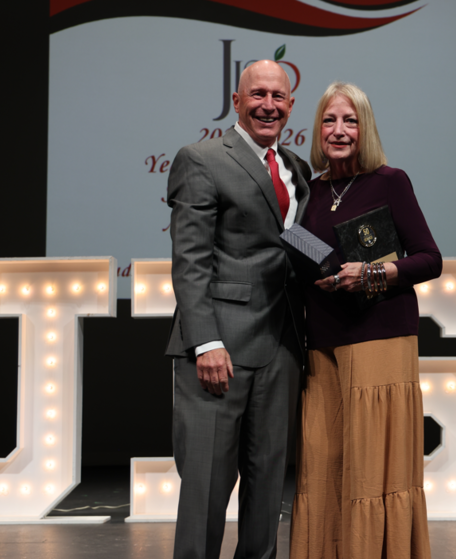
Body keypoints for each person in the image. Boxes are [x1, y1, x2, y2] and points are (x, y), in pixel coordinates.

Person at [164, 60, 311, 559]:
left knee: (268, 487)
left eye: (278, 96)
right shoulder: (201, 158)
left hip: (283, 347)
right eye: (258, 95)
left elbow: (296, 245)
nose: (268, 105)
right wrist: (205, 341)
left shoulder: (297, 168)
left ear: (291, 105)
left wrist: (349, 268)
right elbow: (189, 261)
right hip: (219, 349)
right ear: (237, 100)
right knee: (205, 489)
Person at [289, 82, 441, 559]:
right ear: (318, 129)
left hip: (379, 338)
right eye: (330, 121)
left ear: (365, 127)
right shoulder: (310, 192)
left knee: (371, 469)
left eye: (350, 120)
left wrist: (374, 272)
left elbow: (430, 259)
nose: (339, 130)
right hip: (322, 345)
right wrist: (327, 273)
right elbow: (311, 257)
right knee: (325, 466)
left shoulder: (390, 181)